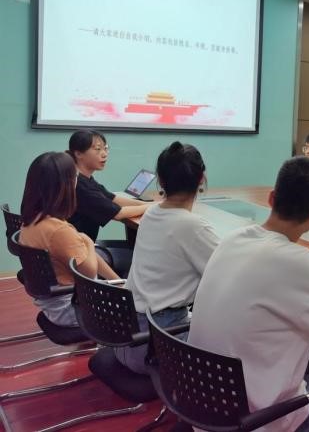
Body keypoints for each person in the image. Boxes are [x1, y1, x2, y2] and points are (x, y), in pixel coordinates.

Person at [188, 157, 309, 432]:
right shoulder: (299, 263)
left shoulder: (234, 239)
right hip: (254, 422)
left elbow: (267, 282)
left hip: (204, 406)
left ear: (271, 198)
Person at [115, 142, 219, 374]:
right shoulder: (193, 227)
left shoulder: (150, 212)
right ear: (201, 179)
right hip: (158, 347)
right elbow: (227, 277)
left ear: (160, 181)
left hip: (125, 337)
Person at [18, 152, 119, 327]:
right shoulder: (59, 231)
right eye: (75, 177)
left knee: (126, 291)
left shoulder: (33, 220)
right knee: (144, 308)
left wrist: (118, 282)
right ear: (66, 185)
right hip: (73, 309)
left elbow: (84, 256)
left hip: (56, 305)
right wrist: (88, 242)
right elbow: (89, 273)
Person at [67, 129, 149, 273]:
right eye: (98, 149)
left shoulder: (84, 178)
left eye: (105, 148)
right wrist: (154, 207)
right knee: (145, 258)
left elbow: (113, 198)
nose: (104, 154)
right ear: (78, 153)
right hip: (81, 255)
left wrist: (147, 204)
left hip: (84, 247)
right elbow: (118, 213)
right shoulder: (79, 185)